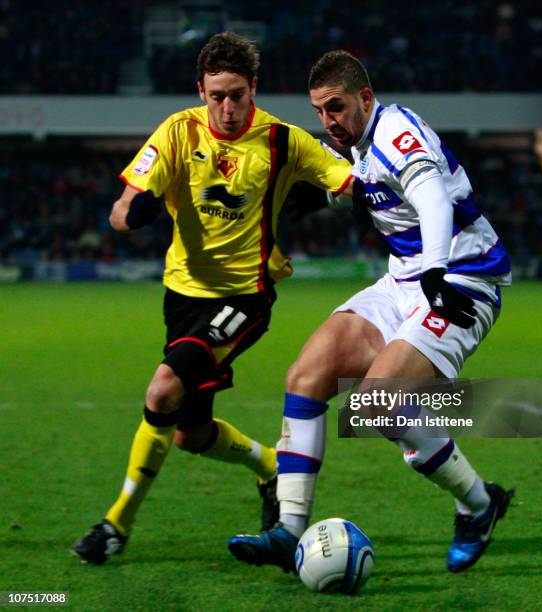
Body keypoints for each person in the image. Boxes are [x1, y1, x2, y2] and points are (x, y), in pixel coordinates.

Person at [228, 50, 514, 574]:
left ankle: (479, 505)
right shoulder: (354, 146)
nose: (327, 121)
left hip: (463, 278)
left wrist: (435, 268)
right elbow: (372, 188)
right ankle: (289, 529)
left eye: (335, 107)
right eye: (319, 110)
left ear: (364, 98)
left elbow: (430, 196)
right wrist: (321, 200)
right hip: (404, 279)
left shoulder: (396, 129)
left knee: (377, 405)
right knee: (307, 374)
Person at [71, 33, 352, 565]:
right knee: (190, 435)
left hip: (245, 297)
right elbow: (122, 205)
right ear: (200, 90)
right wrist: (137, 212)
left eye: (238, 95)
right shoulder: (178, 132)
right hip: (182, 296)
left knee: (162, 390)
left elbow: (349, 178)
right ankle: (270, 466)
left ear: (254, 90)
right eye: (216, 95)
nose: (226, 107)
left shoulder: (283, 140)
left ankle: (115, 525)